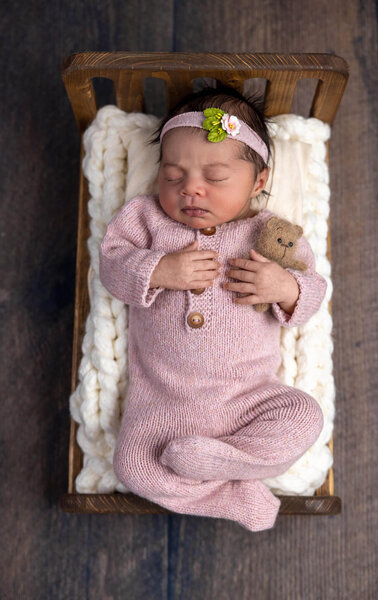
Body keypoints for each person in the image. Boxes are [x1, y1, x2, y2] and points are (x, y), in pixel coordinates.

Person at [99, 86, 327, 532]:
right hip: (163, 403)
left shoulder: (271, 234)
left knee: (305, 417)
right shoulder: (146, 220)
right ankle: (232, 495)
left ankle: (224, 460)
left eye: (216, 177)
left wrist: (283, 286)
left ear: (258, 182)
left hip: (247, 398)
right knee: (133, 466)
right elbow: (111, 265)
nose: (191, 189)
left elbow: (313, 292)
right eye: (172, 174)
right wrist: (160, 269)